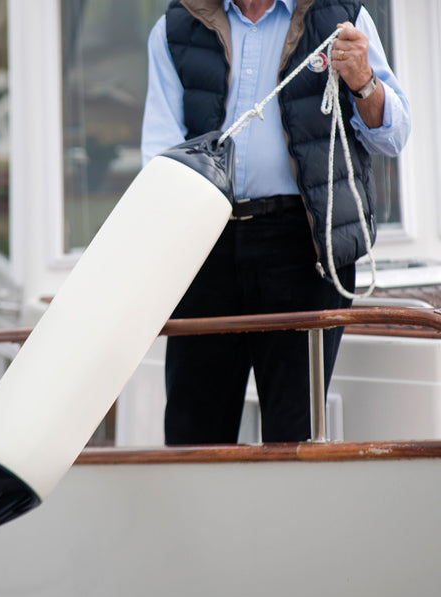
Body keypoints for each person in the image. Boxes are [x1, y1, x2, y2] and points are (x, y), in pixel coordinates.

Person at [141, 0, 410, 444]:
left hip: (304, 246)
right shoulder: (177, 25)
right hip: (204, 245)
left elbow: (393, 138)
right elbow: (159, 156)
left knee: (295, 437)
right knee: (193, 434)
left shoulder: (340, 15)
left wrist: (364, 82)